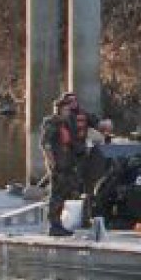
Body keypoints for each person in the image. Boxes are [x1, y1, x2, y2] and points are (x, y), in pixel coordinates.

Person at [39, 90, 86, 236]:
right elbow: (45, 144)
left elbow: (73, 142)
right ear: (59, 110)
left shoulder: (68, 122)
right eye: (65, 109)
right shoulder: (51, 123)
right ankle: (54, 224)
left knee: (72, 190)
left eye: (68, 109)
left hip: (69, 164)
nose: (67, 112)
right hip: (58, 164)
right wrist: (51, 162)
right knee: (56, 194)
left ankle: (68, 221)